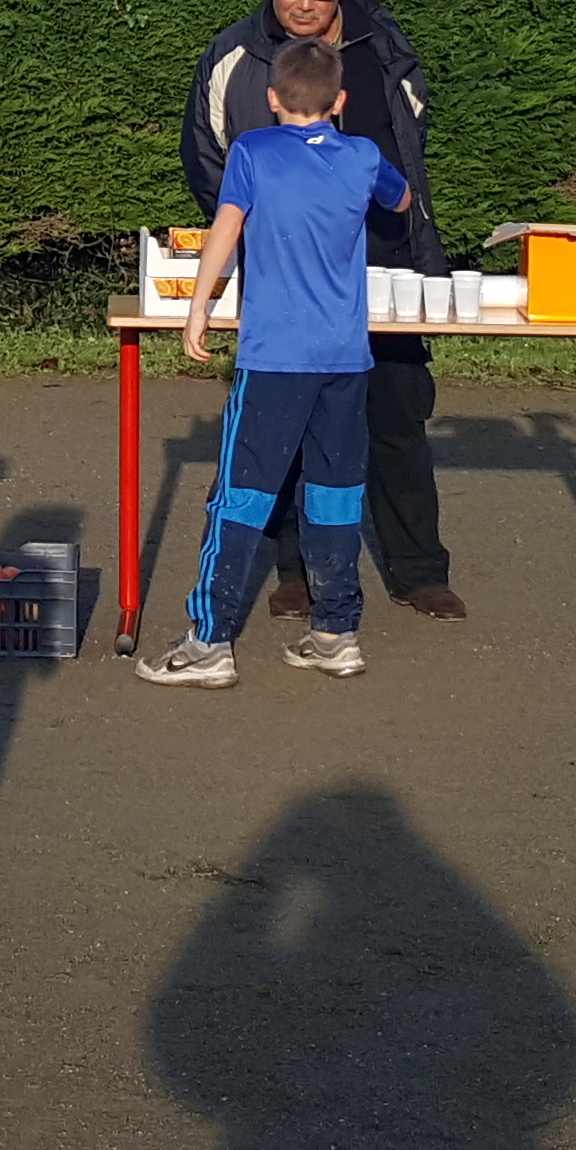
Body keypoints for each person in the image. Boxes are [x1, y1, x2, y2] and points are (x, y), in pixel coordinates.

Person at [182, 0, 463, 618]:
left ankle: (418, 570)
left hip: (383, 262)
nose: (305, 2)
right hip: (287, 278)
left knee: (397, 414)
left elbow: (411, 142)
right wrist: (264, 234)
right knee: (284, 426)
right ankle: (297, 572)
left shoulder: (383, 44)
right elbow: (209, 159)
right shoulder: (233, 55)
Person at [144, 34, 417, 686]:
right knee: (334, 493)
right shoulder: (362, 155)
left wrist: (199, 306)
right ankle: (335, 632)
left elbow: (226, 227)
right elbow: (402, 199)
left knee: (240, 496)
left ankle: (210, 641)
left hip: (274, 357)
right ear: (340, 101)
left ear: (272, 98)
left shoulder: (252, 151)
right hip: (344, 359)